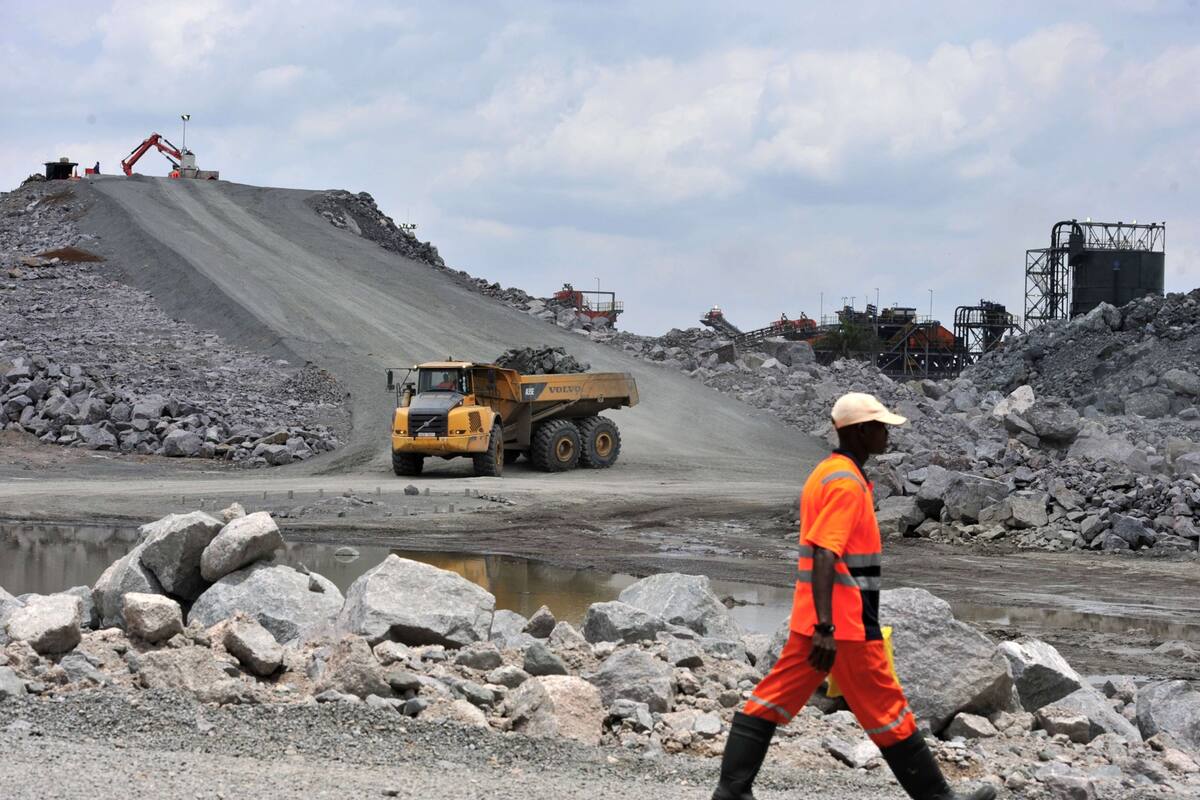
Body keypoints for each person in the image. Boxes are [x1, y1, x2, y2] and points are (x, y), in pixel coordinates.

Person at [712, 392, 995, 800]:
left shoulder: (826, 473)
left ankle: (731, 791)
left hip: (814, 619)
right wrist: (828, 627)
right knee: (887, 709)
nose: (887, 434)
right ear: (861, 431)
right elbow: (826, 552)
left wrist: (818, 624)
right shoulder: (845, 483)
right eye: (881, 427)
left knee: (770, 698)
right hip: (844, 625)